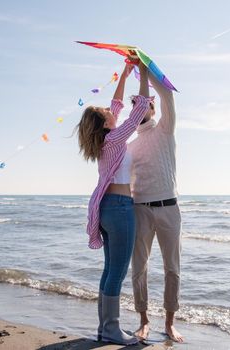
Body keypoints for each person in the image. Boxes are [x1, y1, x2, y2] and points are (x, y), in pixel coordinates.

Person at [76, 60, 150, 345]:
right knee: (116, 272)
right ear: (105, 123)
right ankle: (111, 329)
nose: (111, 111)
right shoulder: (115, 138)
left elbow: (118, 104)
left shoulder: (107, 138)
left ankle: (105, 328)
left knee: (109, 270)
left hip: (107, 207)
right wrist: (143, 73)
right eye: (107, 112)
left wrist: (126, 73)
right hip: (119, 208)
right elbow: (138, 110)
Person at [129, 69, 184, 342]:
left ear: (152, 106)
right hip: (140, 209)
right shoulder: (130, 147)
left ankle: (170, 322)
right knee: (139, 268)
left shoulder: (165, 129)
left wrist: (145, 68)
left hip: (169, 208)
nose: (142, 110)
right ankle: (143, 320)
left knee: (171, 267)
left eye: (146, 104)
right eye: (137, 107)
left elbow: (167, 95)